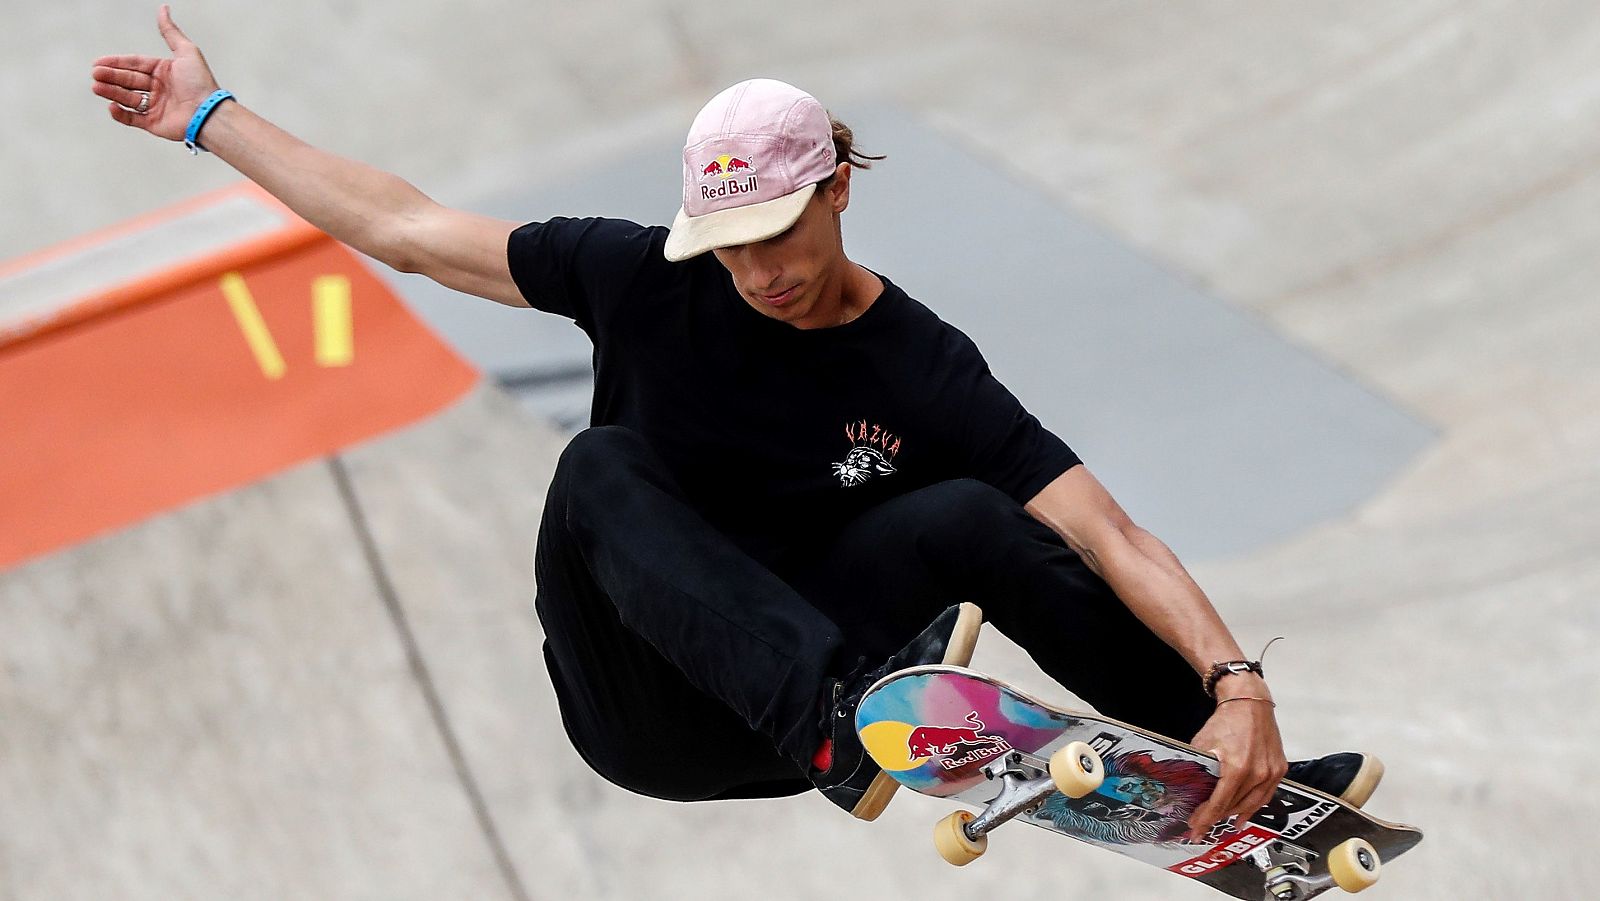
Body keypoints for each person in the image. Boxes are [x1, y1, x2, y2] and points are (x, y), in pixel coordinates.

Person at [92, 7, 1383, 839]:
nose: (755, 273)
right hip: (651, 697)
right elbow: (409, 231)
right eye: (729, 249)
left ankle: (1241, 780)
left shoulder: (920, 362)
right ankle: (829, 715)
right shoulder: (636, 272)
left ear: (835, 187)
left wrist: (1237, 682)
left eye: (777, 238)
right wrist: (209, 116)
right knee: (599, 463)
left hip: (820, 651)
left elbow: (1108, 528)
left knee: (977, 515)